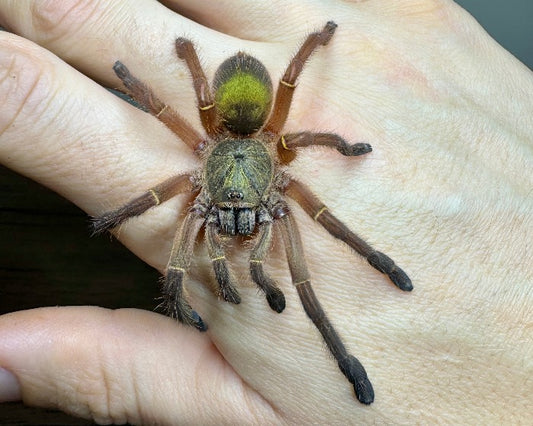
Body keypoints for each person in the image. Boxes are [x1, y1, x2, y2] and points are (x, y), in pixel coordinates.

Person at [0, 1, 531, 424]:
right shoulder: (201, 176)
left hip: (252, 152)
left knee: (307, 273)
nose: (233, 219)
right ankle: (331, 326)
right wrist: (174, 64)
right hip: (229, 147)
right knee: (217, 230)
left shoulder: (281, 152)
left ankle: (350, 340)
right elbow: (162, 114)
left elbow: (298, 101)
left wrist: (339, 141)